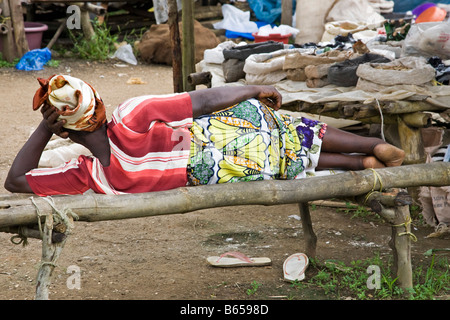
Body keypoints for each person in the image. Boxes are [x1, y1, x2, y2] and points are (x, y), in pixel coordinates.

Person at [4, 74, 405, 196]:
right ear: (100, 105)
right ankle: (372, 147)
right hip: (229, 132)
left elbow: (16, 181)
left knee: (280, 163)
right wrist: (254, 88)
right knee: (287, 132)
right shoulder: (130, 116)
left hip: (219, 169)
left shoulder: (92, 176)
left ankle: (363, 164)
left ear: (65, 130)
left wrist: (43, 128)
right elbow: (204, 101)